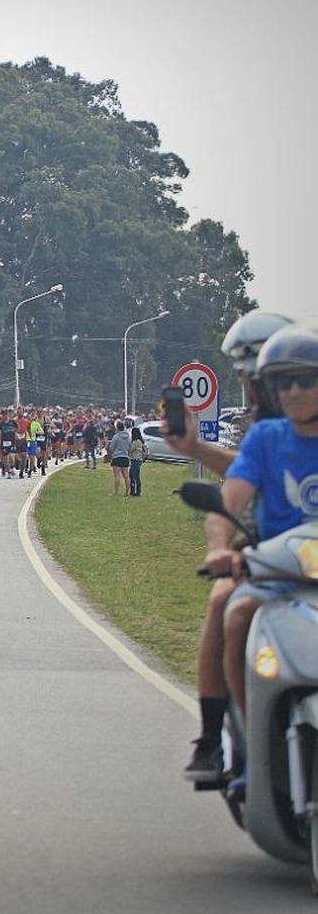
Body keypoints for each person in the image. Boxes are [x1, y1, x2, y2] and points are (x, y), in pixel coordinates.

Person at [172, 310, 294, 782]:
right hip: (267, 546)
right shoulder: (263, 429)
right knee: (225, 601)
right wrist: (218, 549)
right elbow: (234, 493)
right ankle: (217, 736)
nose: (252, 388)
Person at [208, 326, 318, 772]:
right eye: (283, 382)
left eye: (305, 380)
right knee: (236, 614)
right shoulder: (265, 438)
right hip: (278, 573)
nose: (293, 391)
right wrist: (219, 547)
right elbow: (229, 500)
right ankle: (255, 745)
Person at [106, 420, 132, 496]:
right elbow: (129, 446)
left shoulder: (116, 437)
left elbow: (111, 448)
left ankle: (116, 492)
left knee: (117, 476)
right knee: (126, 476)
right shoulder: (128, 437)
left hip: (117, 457)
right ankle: (127, 491)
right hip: (125, 457)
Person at [128, 426, 146, 497]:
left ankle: (135, 491)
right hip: (138, 460)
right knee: (135, 476)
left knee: (133, 476)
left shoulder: (136, 442)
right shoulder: (140, 441)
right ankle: (136, 491)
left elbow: (130, 450)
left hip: (135, 460)